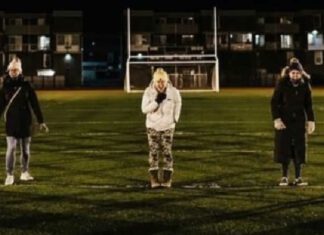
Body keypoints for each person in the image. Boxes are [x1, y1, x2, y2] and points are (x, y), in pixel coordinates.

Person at [0, 57, 49, 185]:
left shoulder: (27, 85)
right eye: (12, 70)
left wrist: (41, 121)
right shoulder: (5, 86)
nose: (14, 72)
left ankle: (24, 172)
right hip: (11, 122)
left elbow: (35, 104)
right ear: (8, 70)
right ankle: (9, 174)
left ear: (20, 71)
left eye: (16, 70)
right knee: (11, 149)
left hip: (26, 121)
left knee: (25, 149)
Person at [271, 61, 315, 186]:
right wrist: (277, 119)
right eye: (293, 73)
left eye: (297, 73)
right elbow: (274, 102)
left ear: (301, 74)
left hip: (299, 121)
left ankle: (298, 177)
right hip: (284, 121)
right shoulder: (282, 83)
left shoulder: (305, 85)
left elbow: (308, 105)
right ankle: (284, 177)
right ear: (289, 73)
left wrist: (311, 120)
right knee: (284, 149)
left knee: (299, 149)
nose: (295, 75)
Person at [141, 68, 182, 188]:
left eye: (163, 81)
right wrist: (156, 102)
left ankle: (167, 178)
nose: (160, 84)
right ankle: (154, 179)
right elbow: (144, 110)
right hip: (152, 126)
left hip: (168, 126)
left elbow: (178, 103)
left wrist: (175, 118)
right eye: (158, 81)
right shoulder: (148, 92)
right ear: (154, 81)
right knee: (153, 152)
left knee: (167, 152)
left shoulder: (174, 92)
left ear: (166, 81)